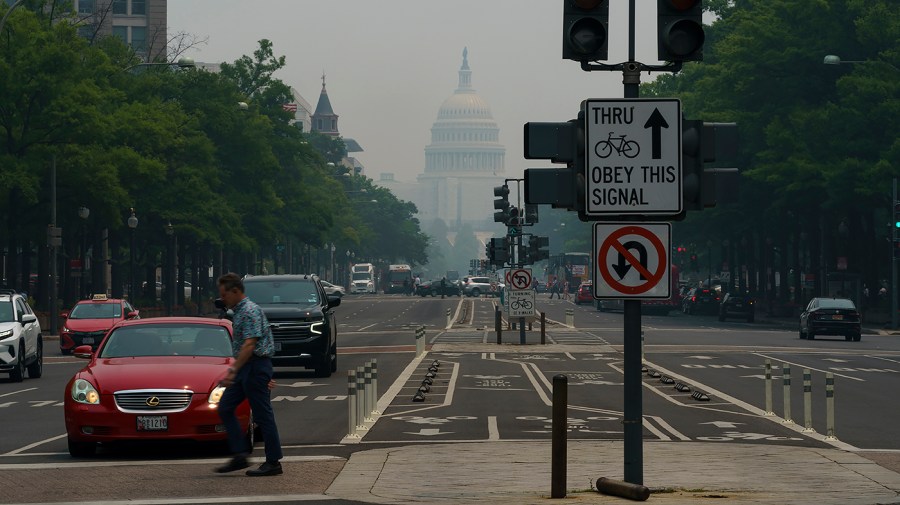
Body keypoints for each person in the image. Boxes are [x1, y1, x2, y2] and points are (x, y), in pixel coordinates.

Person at [214, 272, 284, 477]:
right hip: (247, 367)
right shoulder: (239, 311)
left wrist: (233, 371)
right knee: (226, 406)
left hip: (254, 366)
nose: (222, 299)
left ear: (236, 291)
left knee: (263, 415)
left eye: (224, 294)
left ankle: (273, 461)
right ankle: (240, 455)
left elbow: (249, 344)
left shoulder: (250, 311)